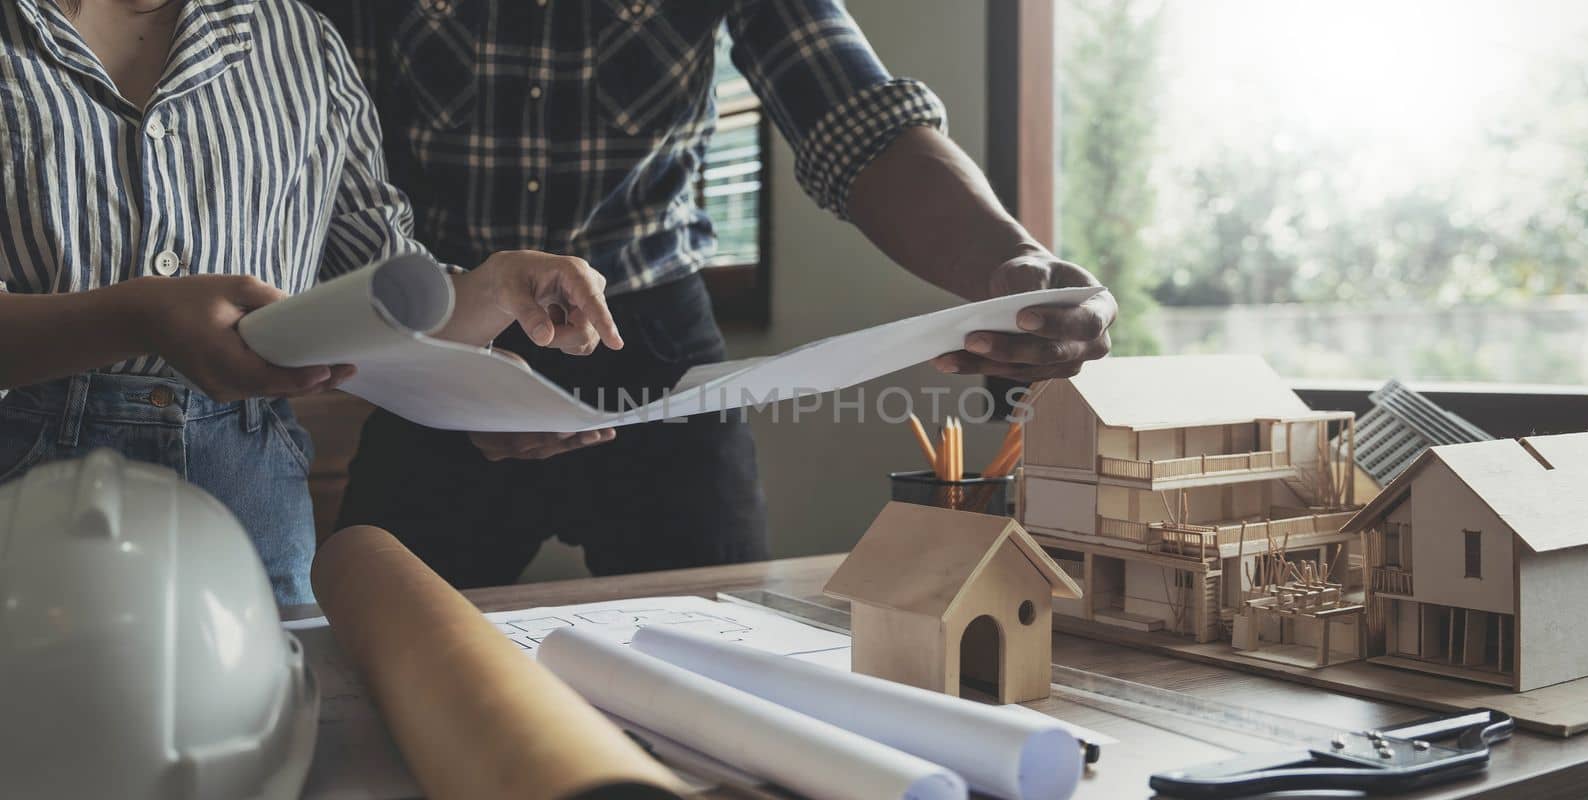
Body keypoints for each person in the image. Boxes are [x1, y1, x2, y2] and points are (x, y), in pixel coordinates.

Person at [315, 0, 1119, 588]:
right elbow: (325, 153)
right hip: (448, 330)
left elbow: (857, 120)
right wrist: (443, 354)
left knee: (726, 638)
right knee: (377, 635)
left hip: (652, 341)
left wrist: (1010, 262)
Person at [0, 0, 622, 604]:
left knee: (273, 708)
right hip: (22, 476)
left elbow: (381, 295)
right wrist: (135, 317)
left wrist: (494, 288)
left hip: (251, 486)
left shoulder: (302, 42)